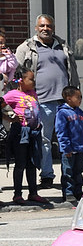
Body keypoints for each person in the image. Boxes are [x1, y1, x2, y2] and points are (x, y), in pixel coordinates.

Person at [15, 14, 79, 188]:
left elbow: (73, 70)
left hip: (65, 102)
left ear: (53, 28)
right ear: (36, 28)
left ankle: (70, 176)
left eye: (48, 26)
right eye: (42, 26)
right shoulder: (26, 48)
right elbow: (16, 74)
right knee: (44, 140)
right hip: (42, 101)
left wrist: (75, 93)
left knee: (69, 139)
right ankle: (47, 175)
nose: (45, 29)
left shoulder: (63, 46)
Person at [2, 69, 47, 205]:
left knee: (32, 163)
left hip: (34, 133)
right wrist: (10, 118)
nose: (34, 82)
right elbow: (1, 105)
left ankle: (33, 193)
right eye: (31, 79)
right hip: (21, 133)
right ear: (21, 81)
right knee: (20, 164)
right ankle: (17, 194)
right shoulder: (12, 94)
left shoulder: (33, 93)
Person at [55, 86, 83, 203]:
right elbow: (61, 131)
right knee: (68, 171)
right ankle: (68, 192)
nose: (80, 99)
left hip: (80, 148)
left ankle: (78, 191)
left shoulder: (80, 112)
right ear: (69, 98)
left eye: (81, 97)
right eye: (78, 97)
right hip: (69, 149)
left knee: (79, 170)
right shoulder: (62, 113)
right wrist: (66, 147)